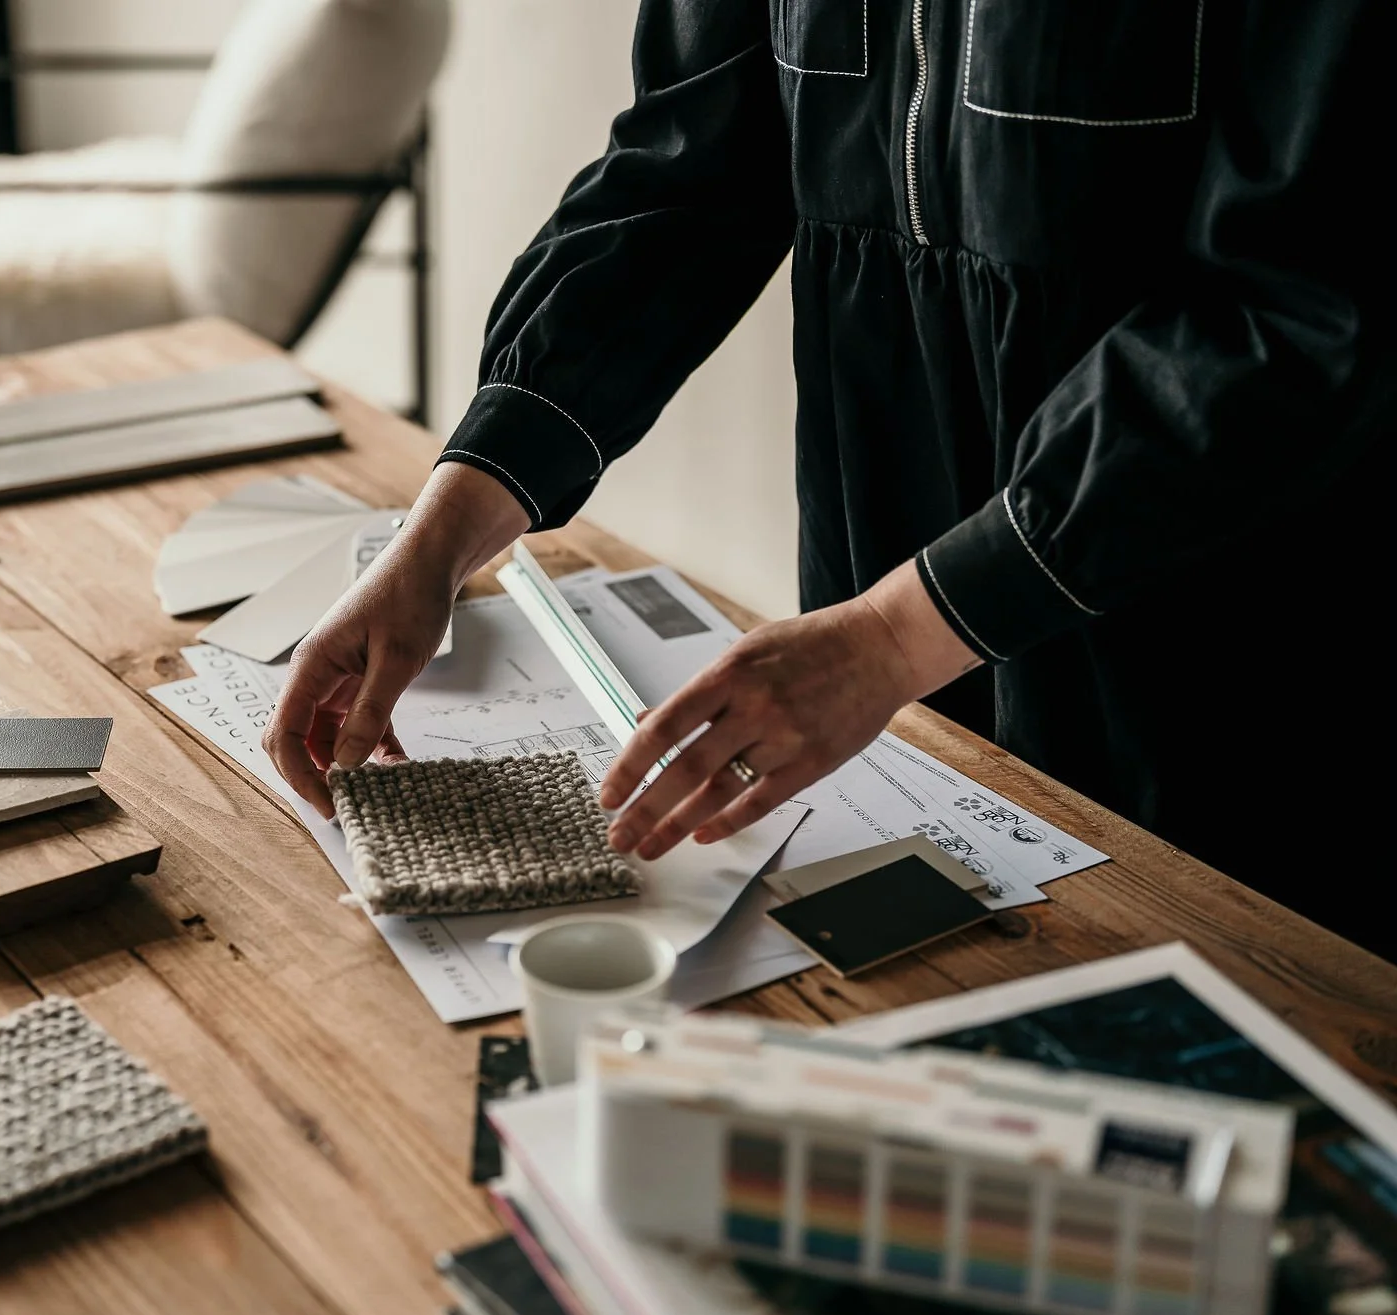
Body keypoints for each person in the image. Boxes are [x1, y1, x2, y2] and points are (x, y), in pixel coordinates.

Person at [262, 0, 1391, 962]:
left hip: (1199, 600)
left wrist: (898, 636)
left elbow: (1303, 304)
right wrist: (444, 532)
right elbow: (681, 175)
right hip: (875, 558)